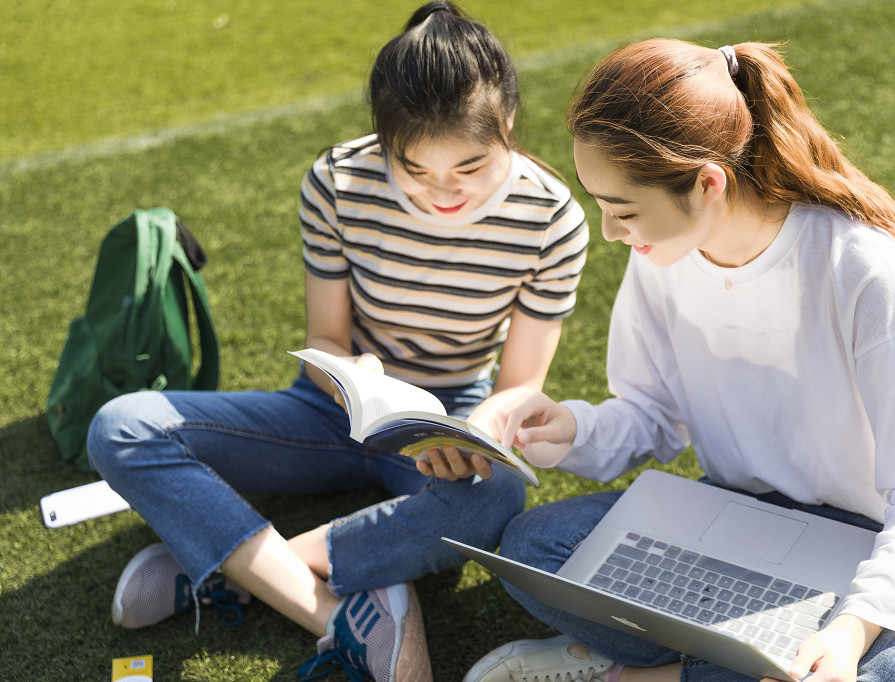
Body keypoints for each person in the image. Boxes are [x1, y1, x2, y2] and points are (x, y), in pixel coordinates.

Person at [87, 3, 588, 681]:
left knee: (495, 497)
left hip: (451, 411)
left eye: (470, 167)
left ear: (507, 128)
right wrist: (353, 374)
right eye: (415, 168)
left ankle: (238, 571)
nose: (445, 192)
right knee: (123, 427)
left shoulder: (552, 217)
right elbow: (325, 337)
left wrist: (476, 428)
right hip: (331, 406)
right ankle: (331, 611)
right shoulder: (339, 180)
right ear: (384, 139)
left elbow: (519, 384)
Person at [462, 39, 895, 682]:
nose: (609, 231)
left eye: (622, 209)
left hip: (874, 542)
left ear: (709, 183)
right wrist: (569, 427)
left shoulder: (861, 269)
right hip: (739, 519)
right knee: (537, 548)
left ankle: (641, 675)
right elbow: (652, 416)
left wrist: (853, 628)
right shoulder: (662, 257)